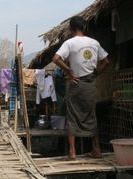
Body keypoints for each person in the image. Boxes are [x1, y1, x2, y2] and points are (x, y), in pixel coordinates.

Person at [53, 16, 109, 159]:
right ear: (84, 28)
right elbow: (106, 62)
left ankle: (72, 152)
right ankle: (96, 149)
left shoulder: (70, 43)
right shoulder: (94, 43)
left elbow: (56, 59)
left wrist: (69, 71)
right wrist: (96, 73)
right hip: (90, 84)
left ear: (71, 29)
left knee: (72, 116)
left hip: (75, 83)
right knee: (91, 115)